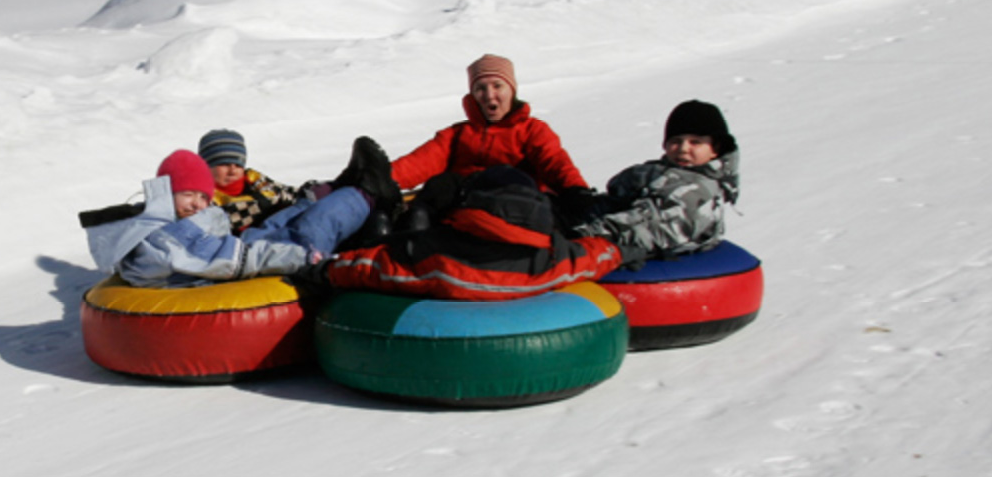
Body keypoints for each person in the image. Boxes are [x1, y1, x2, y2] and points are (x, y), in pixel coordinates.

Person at [81, 138, 397, 288]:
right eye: (186, 194)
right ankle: (366, 194)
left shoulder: (165, 225)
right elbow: (234, 260)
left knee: (279, 220)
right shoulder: (168, 238)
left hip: (220, 256)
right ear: (165, 194)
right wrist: (303, 259)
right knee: (313, 227)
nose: (196, 204)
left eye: (202, 197)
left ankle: (341, 188)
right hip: (224, 269)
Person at [315, 166, 629, 300]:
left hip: (445, 312)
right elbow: (591, 256)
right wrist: (619, 251)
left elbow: (377, 268)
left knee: (393, 244)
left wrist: (327, 269)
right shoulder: (553, 255)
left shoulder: (440, 255)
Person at [389, 53, 593, 224]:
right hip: (461, 203)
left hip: (513, 206)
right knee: (441, 185)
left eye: (497, 86)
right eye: (480, 89)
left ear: (511, 91)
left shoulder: (532, 130)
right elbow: (419, 162)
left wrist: (575, 190)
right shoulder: (458, 134)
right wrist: (381, 179)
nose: (489, 95)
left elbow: (554, 161)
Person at [571, 100, 740, 259]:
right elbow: (616, 201)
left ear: (715, 149)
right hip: (615, 232)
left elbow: (654, 226)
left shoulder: (698, 191)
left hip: (655, 255)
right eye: (675, 141)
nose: (683, 149)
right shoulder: (660, 173)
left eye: (695, 142)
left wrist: (588, 233)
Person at [197, 128, 310, 234]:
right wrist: (261, 204)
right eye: (224, 164)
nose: (233, 171)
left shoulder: (256, 182)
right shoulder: (198, 197)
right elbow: (223, 220)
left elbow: (290, 194)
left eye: (238, 165)